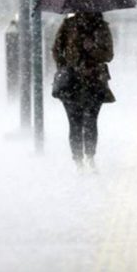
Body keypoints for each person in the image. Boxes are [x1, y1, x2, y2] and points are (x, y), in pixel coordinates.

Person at [52, 12, 115, 172]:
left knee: (91, 121)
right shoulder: (68, 25)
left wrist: (92, 48)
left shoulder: (102, 27)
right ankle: (78, 160)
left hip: (94, 81)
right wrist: (66, 67)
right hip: (71, 82)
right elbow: (56, 50)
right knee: (75, 122)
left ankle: (90, 157)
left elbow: (108, 55)